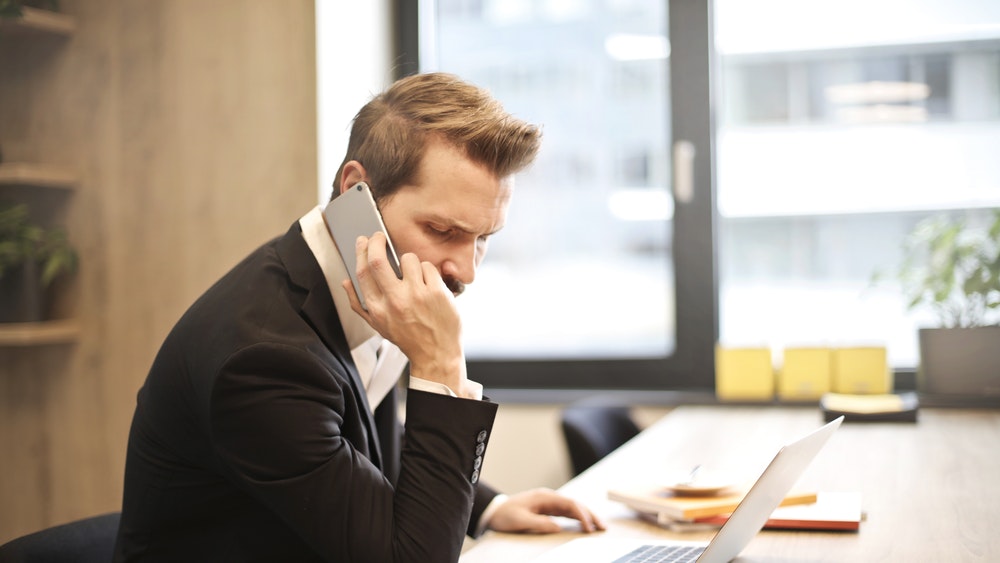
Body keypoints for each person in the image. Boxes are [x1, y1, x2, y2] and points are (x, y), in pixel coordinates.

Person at [112, 72, 604, 562]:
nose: (467, 271)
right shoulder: (263, 361)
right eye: (441, 229)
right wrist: (441, 366)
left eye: (484, 239)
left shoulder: (363, 282)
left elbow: (362, 440)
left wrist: (488, 507)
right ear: (356, 192)